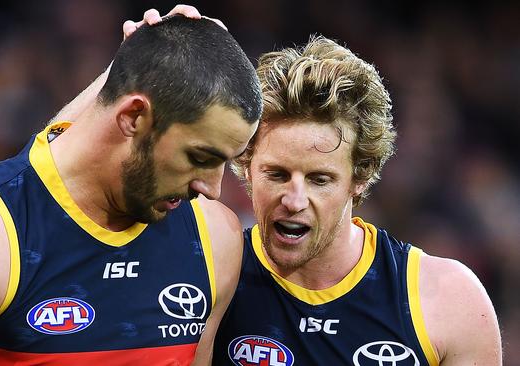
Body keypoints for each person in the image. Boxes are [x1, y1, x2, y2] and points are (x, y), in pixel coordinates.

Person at [0, 7, 262, 366]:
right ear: (133, 116)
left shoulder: (213, 237)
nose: (213, 189)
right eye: (200, 157)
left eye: (226, 162)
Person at [212, 36, 502, 365]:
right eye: (277, 175)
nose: (294, 201)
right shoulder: (206, 279)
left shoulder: (449, 303)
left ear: (360, 178)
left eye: (319, 180)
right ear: (247, 168)